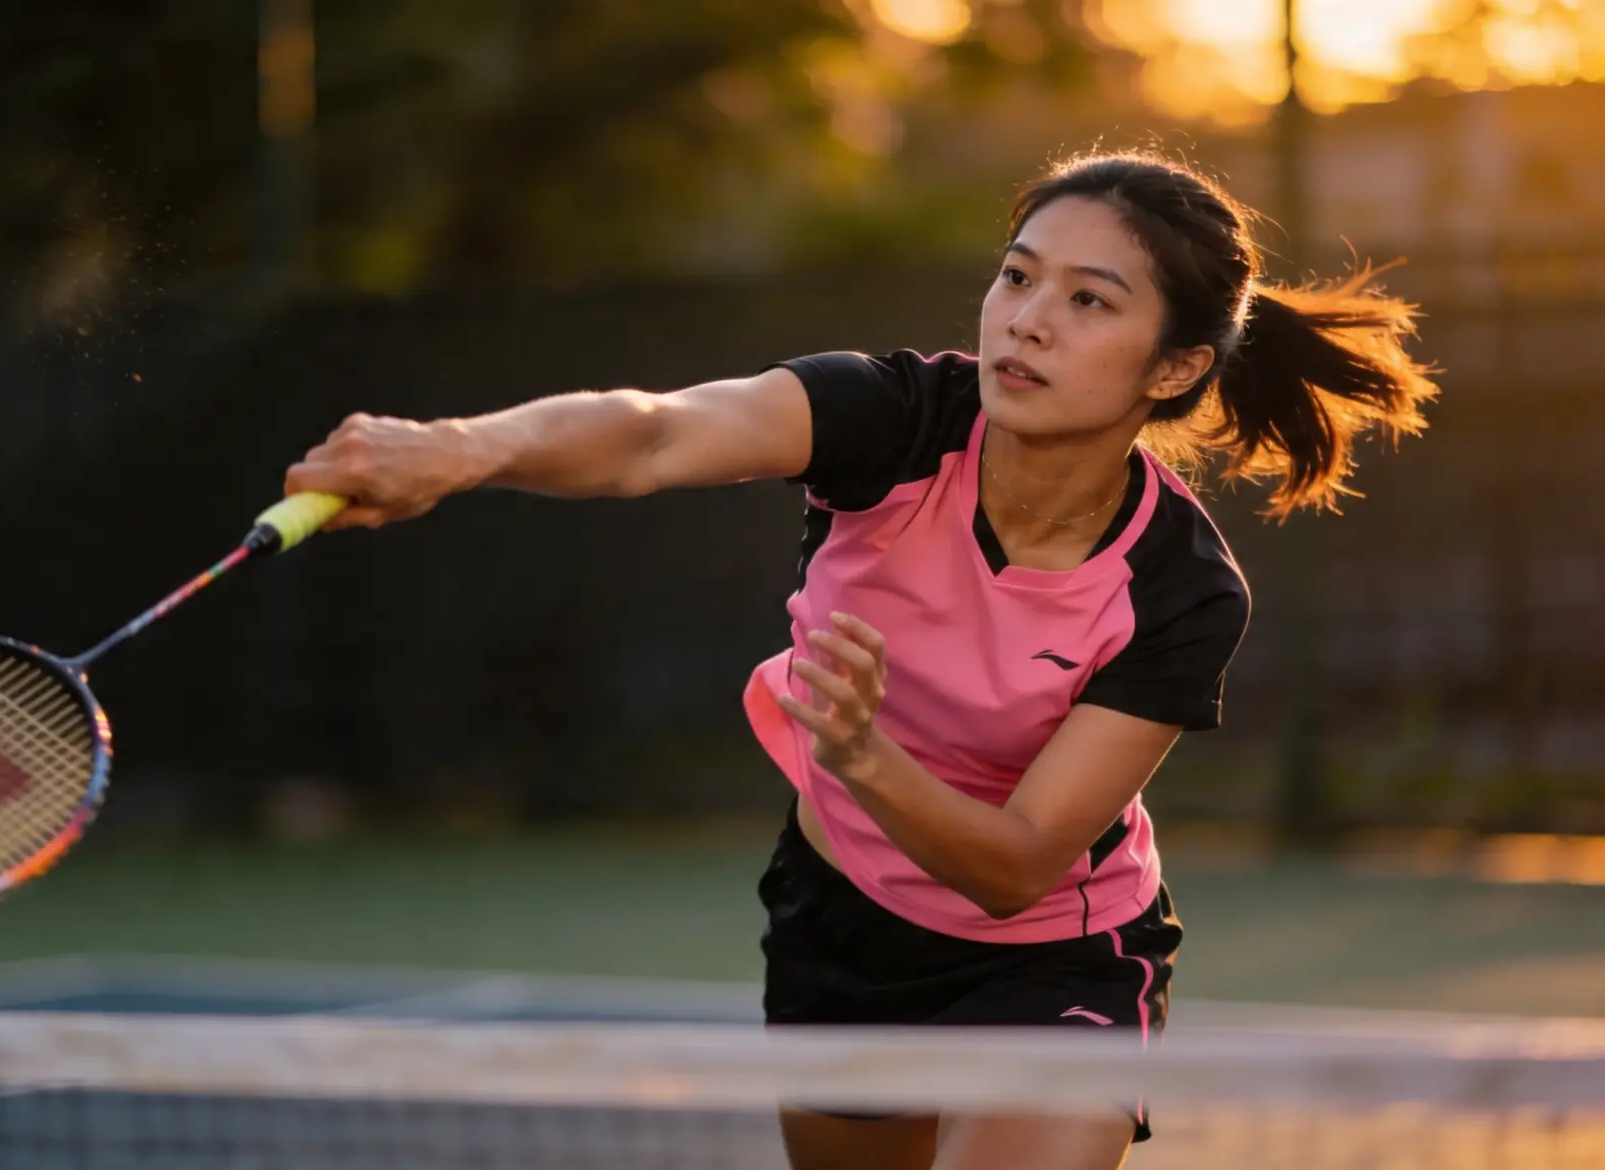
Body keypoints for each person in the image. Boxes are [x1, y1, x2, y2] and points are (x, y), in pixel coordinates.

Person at [282, 151, 1439, 1170]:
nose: (1025, 319)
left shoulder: (1179, 589)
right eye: (1017, 274)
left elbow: (1017, 865)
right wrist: (455, 449)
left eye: (1088, 301)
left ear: (1172, 368)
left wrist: (860, 755)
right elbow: (653, 433)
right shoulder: (890, 420)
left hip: (1051, 962)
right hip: (839, 926)